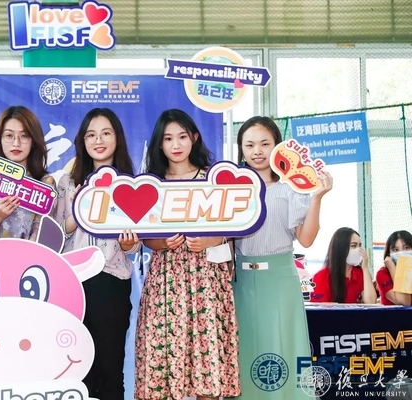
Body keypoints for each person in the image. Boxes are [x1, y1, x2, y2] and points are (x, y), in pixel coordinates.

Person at [134, 109, 240, 400]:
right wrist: (163, 243)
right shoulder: (151, 184)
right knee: (161, 360)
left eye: (182, 136)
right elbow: (146, 238)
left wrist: (211, 239)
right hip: (165, 281)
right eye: (168, 138)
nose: (176, 144)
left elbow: (233, 227)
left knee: (207, 360)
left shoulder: (213, 179)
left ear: (194, 138)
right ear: (160, 144)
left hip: (206, 278)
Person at [232, 116, 332, 400]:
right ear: (241, 150)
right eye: (249, 145)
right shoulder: (232, 188)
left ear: (277, 146)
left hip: (280, 280)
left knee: (283, 345)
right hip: (240, 282)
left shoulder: (291, 188)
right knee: (244, 348)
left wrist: (317, 198)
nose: (257, 151)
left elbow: (306, 239)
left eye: (265, 143)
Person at [52, 108, 140, 400]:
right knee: (77, 368)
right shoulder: (67, 183)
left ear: (117, 138)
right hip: (73, 282)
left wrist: (128, 244)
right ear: (82, 140)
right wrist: (78, 213)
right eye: (91, 135)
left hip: (111, 280)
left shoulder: (131, 184)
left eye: (105, 133)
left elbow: (136, 243)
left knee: (110, 368)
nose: (98, 140)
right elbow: (55, 234)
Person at [0, 106, 55, 241]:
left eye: (24, 136)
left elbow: (42, 238)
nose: (16, 143)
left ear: (33, 141)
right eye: (9, 135)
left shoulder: (45, 184)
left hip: (29, 255)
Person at [310, 227, 377, 304]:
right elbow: (321, 309)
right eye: (353, 246)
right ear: (341, 248)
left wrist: (365, 268)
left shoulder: (360, 273)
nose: (358, 250)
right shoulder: (321, 276)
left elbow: (371, 302)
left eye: (360, 246)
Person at [375, 230, 412, 305]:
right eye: (395, 250)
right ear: (389, 254)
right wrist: (392, 268)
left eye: (406, 248)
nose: (401, 253)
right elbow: (405, 302)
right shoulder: (382, 274)